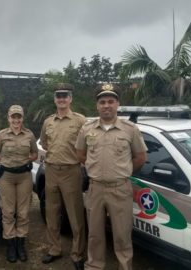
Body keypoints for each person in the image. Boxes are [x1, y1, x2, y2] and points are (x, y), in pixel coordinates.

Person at [75, 83, 147, 270]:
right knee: (95, 234)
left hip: (120, 188)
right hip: (95, 188)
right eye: (102, 102)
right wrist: (95, 169)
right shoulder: (87, 129)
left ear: (117, 104)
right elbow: (81, 154)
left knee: (122, 235)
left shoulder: (130, 129)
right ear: (97, 106)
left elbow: (140, 157)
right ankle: (94, 266)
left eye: (110, 101)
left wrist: (122, 172)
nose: (106, 105)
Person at [39, 83, 87, 270]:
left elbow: (87, 145)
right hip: (51, 170)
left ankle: (77, 254)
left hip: (71, 171)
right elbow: (44, 142)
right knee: (52, 213)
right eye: (58, 96)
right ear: (54, 99)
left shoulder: (80, 120)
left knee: (76, 215)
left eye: (65, 95)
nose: (61, 99)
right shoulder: (48, 121)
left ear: (70, 98)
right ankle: (54, 249)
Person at [0, 104, 38, 263]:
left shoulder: (29, 135)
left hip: (24, 176)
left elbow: (34, 153)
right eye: (13, 117)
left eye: (19, 117)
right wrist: (8, 163)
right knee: (8, 211)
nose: (16, 120)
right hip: (7, 177)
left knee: (23, 212)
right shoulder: (2, 135)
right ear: (8, 118)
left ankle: (20, 244)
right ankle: (11, 245)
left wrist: (25, 161)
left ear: (22, 118)